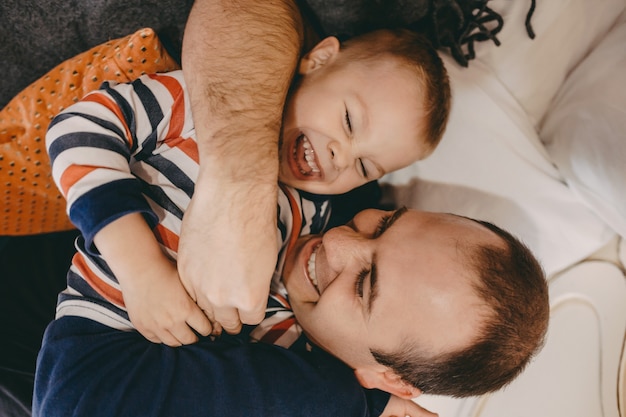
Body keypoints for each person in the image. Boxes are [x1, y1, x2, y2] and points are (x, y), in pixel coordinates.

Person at [34, 206, 549, 417]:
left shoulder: (315, 388)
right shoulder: (327, 188)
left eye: (365, 287)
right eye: (385, 223)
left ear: (389, 377)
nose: (340, 241)